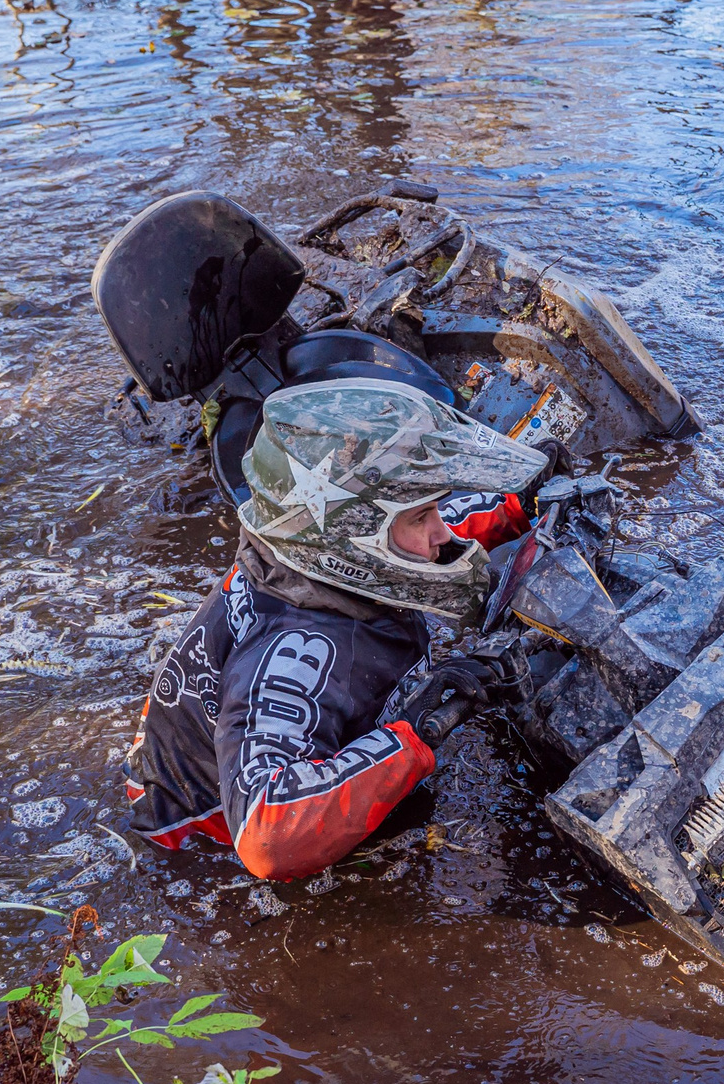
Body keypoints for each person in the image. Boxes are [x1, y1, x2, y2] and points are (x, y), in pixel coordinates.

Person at [121, 376, 552, 881]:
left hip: (208, 749)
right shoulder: (299, 647)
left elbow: (407, 533)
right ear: (352, 541)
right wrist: (412, 729)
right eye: (423, 516)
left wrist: (515, 504)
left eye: (436, 510)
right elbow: (266, 834)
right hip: (200, 843)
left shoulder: (304, 552)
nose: (440, 533)